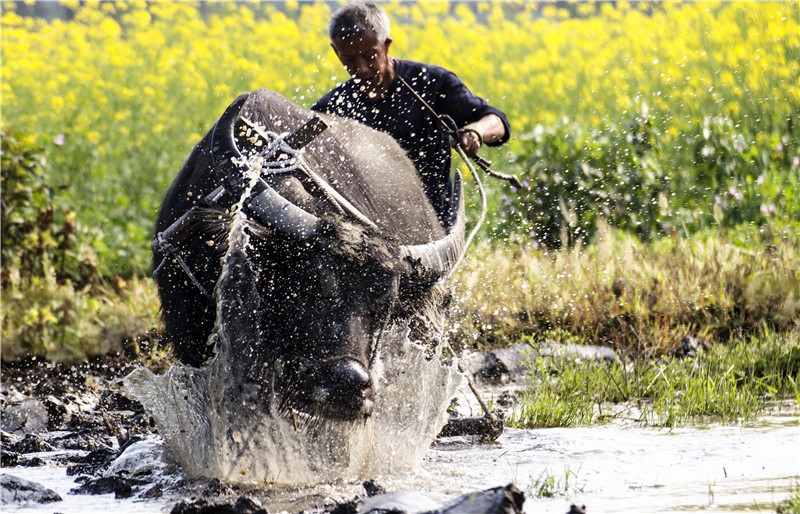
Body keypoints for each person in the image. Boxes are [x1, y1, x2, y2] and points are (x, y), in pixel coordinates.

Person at [312, 2, 511, 229]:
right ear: (336, 52)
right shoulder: (331, 108)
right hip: (366, 226)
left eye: (370, 56)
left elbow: (496, 120)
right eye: (349, 60)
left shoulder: (431, 83)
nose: (362, 68)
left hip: (433, 221)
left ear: (386, 46)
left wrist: (476, 131)